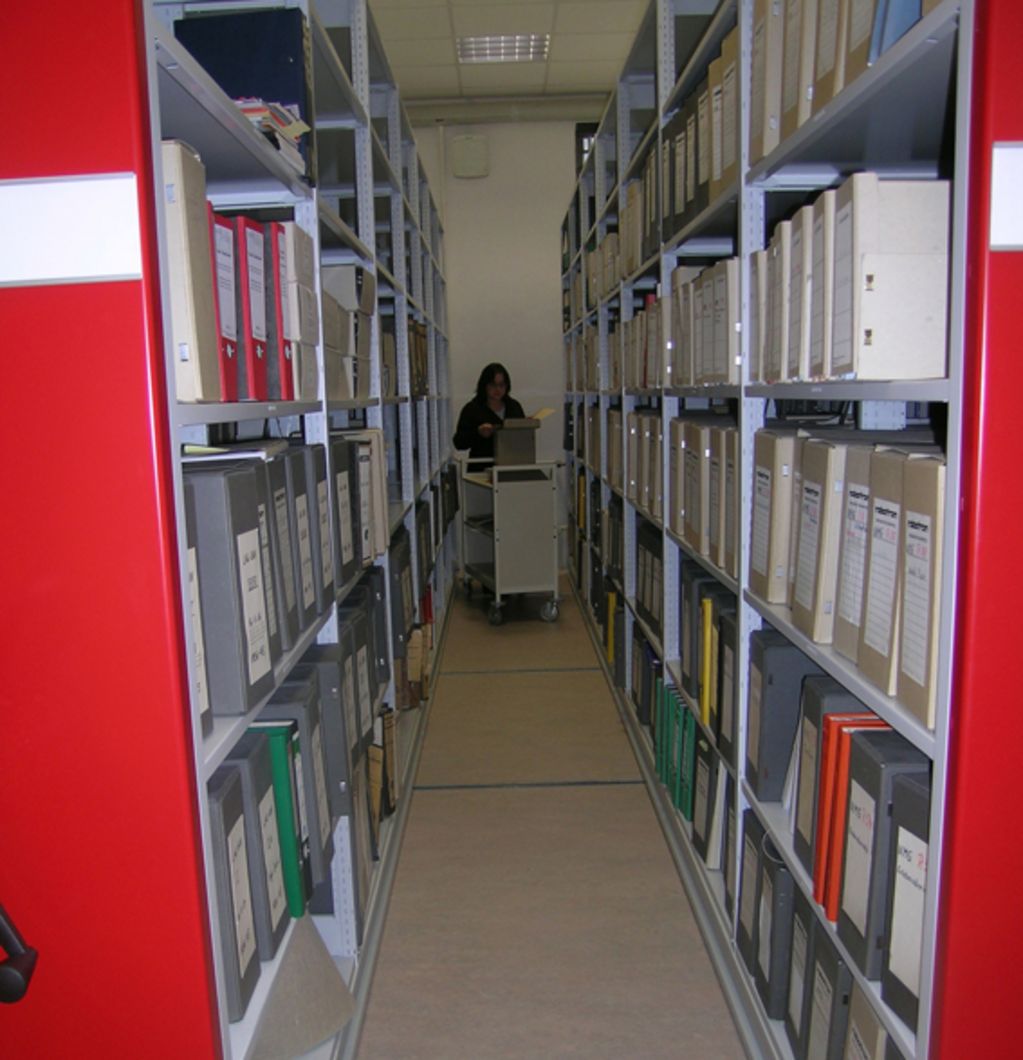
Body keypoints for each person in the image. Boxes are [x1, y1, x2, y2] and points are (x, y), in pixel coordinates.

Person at [452, 362, 525, 467]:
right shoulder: (472, 409)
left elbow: (522, 440)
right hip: (481, 470)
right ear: (484, 385)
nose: (498, 389)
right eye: (493, 385)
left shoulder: (514, 407)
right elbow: (459, 442)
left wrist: (526, 426)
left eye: (501, 385)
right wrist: (478, 433)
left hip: (510, 467)